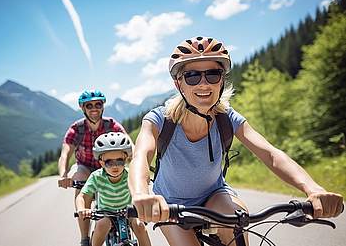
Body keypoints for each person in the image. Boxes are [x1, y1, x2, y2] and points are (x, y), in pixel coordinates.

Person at [128, 36, 344, 246]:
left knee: (237, 220)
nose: (204, 84)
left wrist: (314, 189)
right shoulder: (159, 119)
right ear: (178, 84)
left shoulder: (227, 118)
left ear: (222, 80)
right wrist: (141, 194)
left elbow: (270, 154)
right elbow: (141, 157)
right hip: (170, 203)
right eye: (192, 76)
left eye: (213, 74)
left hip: (214, 195)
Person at [57, 89, 130, 246]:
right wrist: (63, 175)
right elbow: (65, 154)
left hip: (109, 166)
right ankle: (85, 238)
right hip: (85, 166)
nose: (94, 108)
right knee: (81, 183)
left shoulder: (112, 125)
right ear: (83, 108)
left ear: (103, 106)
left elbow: (131, 146)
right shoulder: (77, 128)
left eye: (98, 104)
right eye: (89, 105)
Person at [76, 132, 152, 246]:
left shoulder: (130, 174)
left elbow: (141, 187)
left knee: (140, 226)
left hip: (128, 211)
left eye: (119, 161)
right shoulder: (96, 177)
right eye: (109, 162)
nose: (115, 166)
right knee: (102, 224)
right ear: (101, 162)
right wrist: (82, 209)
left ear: (126, 159)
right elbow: (82, 196)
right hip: (106, 213)